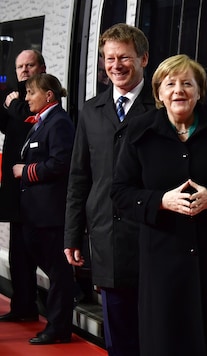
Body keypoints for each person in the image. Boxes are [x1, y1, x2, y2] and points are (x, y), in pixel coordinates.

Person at [111, 54, 207, 356]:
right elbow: (120, 192)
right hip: (163, 261)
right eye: (170, 84)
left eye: (187, 83)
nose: (178, 90)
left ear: (199, 91)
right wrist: (160, 201)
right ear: (159, 93)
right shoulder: (139, 132)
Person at [64, 23, 153, 356]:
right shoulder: (91, 111)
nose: (115, 65)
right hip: (106, 236)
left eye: (124, 58)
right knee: (118, 331)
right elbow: (78, 177)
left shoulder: (162, 108)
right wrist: (72, 236)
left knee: (155, 328)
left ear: (143, 58)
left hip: (152, 233)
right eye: (109, 58)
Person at [12, 73, 75, 344]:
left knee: (59, 272)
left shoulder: (59, 123)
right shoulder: (41, 123)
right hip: (36, 214)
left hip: (50, 214)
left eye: (30, 93)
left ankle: (58, 327)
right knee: (47, 264)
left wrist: (25, 171)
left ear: (48, 95)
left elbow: (61, 163)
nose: (26, 99)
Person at [0, 49, 46, 323]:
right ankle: (23, 307)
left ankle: (72, 294)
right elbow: (8, 125)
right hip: (18, 190)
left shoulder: (44, 95)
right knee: (19, 253)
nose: (25, 70)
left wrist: (14, 103)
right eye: (20, 66)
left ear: (41, 68)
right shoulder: (14, 98)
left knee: (43, 250)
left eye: (30, 65)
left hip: (39, 189)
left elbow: (31, 119)